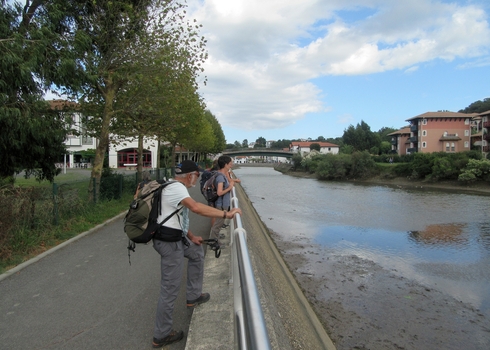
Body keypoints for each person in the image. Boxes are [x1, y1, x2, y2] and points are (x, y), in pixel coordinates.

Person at [151, 160, 242, 348]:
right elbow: (196, 208)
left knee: (196, 253)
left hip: (176, 237)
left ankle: (193, 296)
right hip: (169, 243)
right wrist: (226, 214)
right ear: (190, 175)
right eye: (197, 175)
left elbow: (177, 217)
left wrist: (191, 236)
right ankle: (162, 334)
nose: (198, 178)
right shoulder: (177, 188)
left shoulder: (171, 186)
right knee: (170, 288)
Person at [210, 155, 236, 242]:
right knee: (218, 224)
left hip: (222, 204)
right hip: (221, 205)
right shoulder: (220, 176)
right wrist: (230, 187)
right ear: (225, 164)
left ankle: (214, 240)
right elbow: (219, 192)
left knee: (218, 224)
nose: (231, 165)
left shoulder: (221, 174)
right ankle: (213, 242)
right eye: (230, 163)